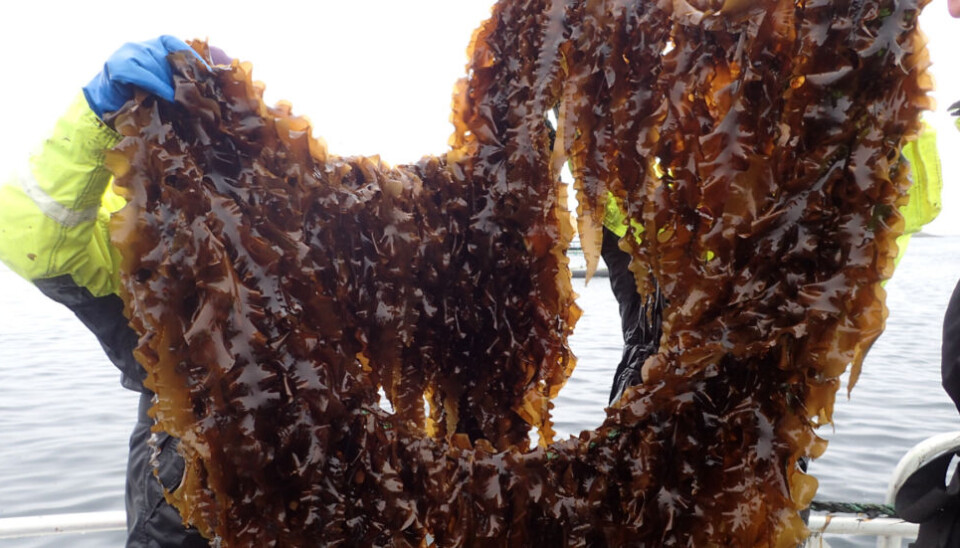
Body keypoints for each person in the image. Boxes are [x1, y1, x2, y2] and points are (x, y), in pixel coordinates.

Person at [0, 36, 228, 547]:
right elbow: (30, 236)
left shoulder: (296, 237)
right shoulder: (139, 246)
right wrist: (95, 119)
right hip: (184, 494)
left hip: (313, 484)